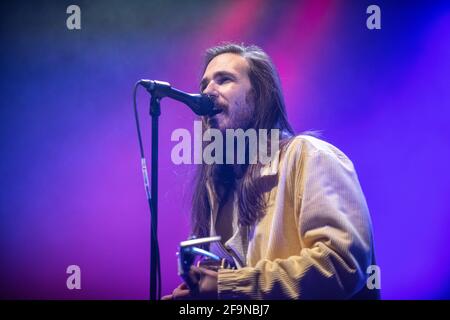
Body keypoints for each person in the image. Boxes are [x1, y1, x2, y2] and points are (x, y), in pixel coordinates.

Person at [162, 43, 380, 300]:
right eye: (204, 84)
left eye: (224, 80)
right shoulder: (216, 188)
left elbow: (342, 265)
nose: (208, 91)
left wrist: (229, 285)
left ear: (259, 95)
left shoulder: (310, 156)